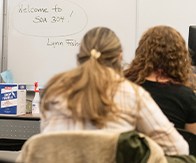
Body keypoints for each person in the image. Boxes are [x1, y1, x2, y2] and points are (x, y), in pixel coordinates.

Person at [40, 27, 189, 156]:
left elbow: (45, 141)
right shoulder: (132, 94)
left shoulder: (54, 90)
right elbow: (179, 148)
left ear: (80, 56)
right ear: (120, 56)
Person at [124, 25, 196, 134]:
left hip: (130, 149)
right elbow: (193, 141)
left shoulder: (123, 86)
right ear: (179, 57)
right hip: (171, 150)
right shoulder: (186, 96)